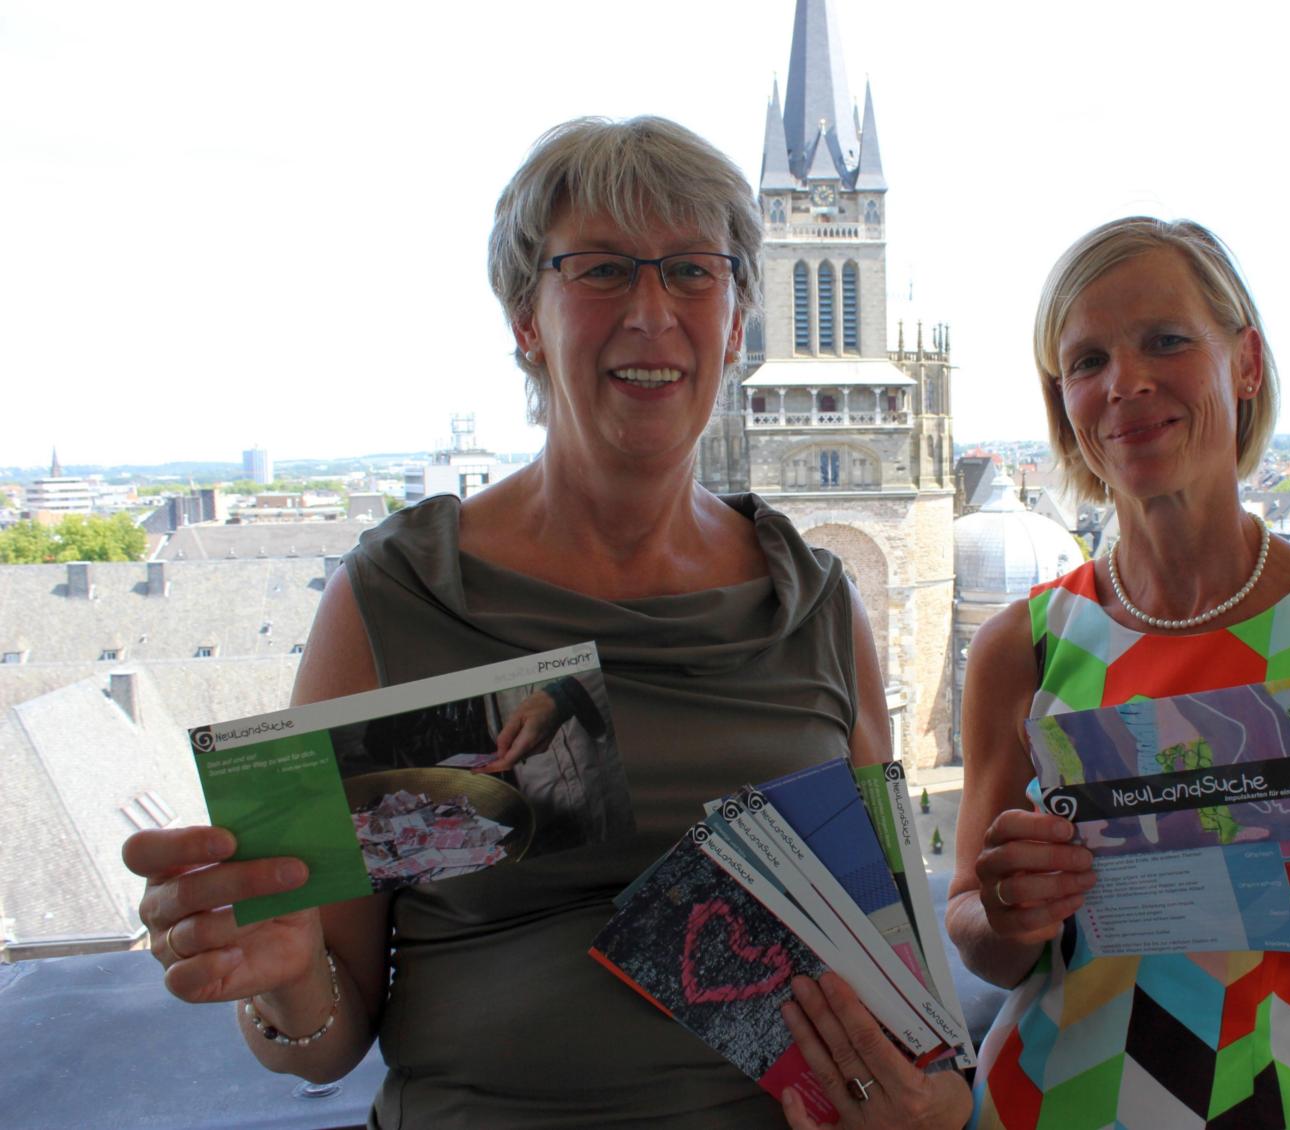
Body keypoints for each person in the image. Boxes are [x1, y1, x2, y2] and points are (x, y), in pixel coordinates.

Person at [121, 116, 968, 1130]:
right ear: (526, 317)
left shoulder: (817, 605)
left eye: (692, 272)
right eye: (603, 270)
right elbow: (323, 1036)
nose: (652, 311)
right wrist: (289, 975)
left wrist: (930, 1100)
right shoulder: (397, 597)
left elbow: (898, 988)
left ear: (739, 320)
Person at [947, 217, 1290, 1128]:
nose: (1126, 384)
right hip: (1048, 1104)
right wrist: (1008, 914)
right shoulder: (1021, 645)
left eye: (1166, 341)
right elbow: (979, 935)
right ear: (1063, 399)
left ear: (1247, 363)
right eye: (1087, 361)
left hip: (1281, 1109)